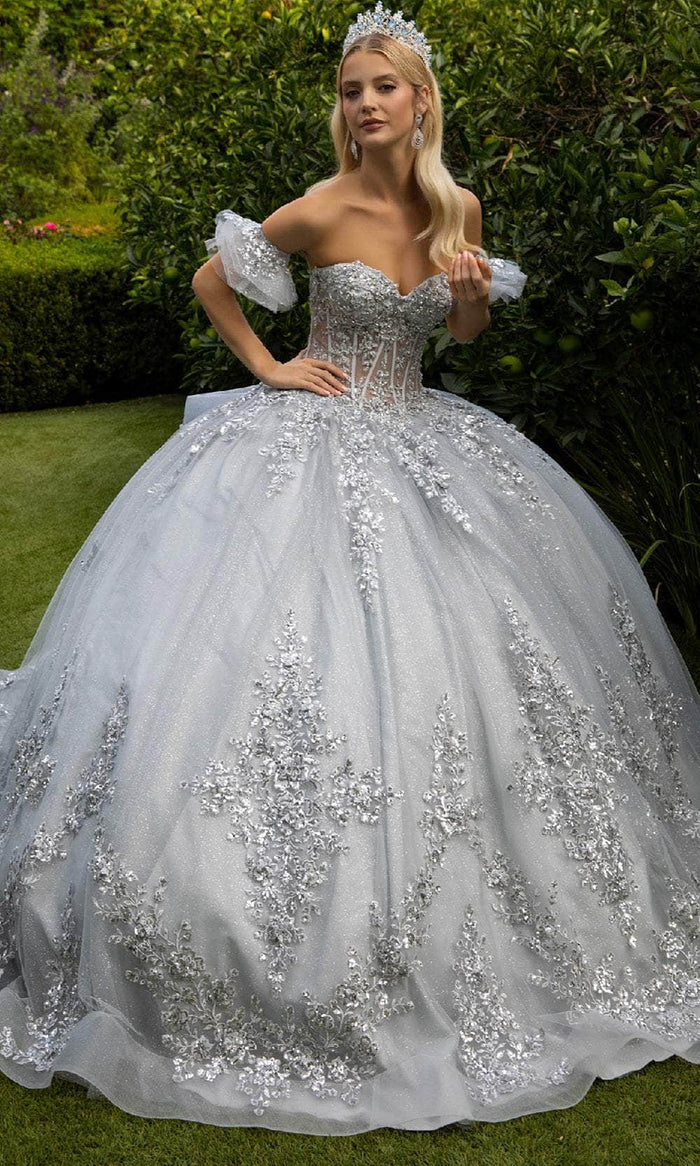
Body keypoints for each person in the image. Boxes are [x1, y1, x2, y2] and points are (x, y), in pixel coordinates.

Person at [0, 1, 698, 1137]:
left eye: (383, 86)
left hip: (422, 437)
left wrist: (466, 298)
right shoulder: (320, 206)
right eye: (350, 89)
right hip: (309, 444)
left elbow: (461, 336)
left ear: (421, 102)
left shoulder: (458, 208)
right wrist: (272, 367)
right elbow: (213, 280)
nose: (365, 103)